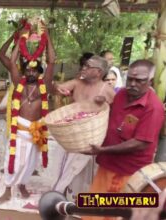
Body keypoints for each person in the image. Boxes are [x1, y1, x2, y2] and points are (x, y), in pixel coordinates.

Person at [81, 60, 165, 220]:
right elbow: (111, 116)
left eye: (139, 80)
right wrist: (101, 103)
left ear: (150, 81)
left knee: (116, 214)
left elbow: (141, 143)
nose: (133, 84)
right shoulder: (121, 95)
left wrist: (103, 150)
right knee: (93, 212)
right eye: (130, 79)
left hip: (129, 172)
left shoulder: (153, 107)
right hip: (107, 165)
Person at [0, 18, 55, 203]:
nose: (30, 74)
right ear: (24, 72)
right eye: (28, 71)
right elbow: (12, 61)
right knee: (14, 159)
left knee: (30, 162)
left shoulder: (42, 86)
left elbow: (52, 61)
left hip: (36, 130)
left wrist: (47, 36)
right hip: (19, 130)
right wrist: (21, 38)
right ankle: (7, 187)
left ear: (39, 73)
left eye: (34, 71)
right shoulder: (18, 83)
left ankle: (22, 184)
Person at [53, 55, 116, 201]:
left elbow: (115, 115)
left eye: (88, 66)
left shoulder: (107, 91)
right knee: (62, 169)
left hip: (90, 141)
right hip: (70, 136)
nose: (83, 68)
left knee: (81, 174)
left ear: (98, 72)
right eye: (84, 65)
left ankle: (75, 202)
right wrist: (56, 87)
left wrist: (104, 105)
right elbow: (55, 89)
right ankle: (58, 197)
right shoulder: (77, 83)